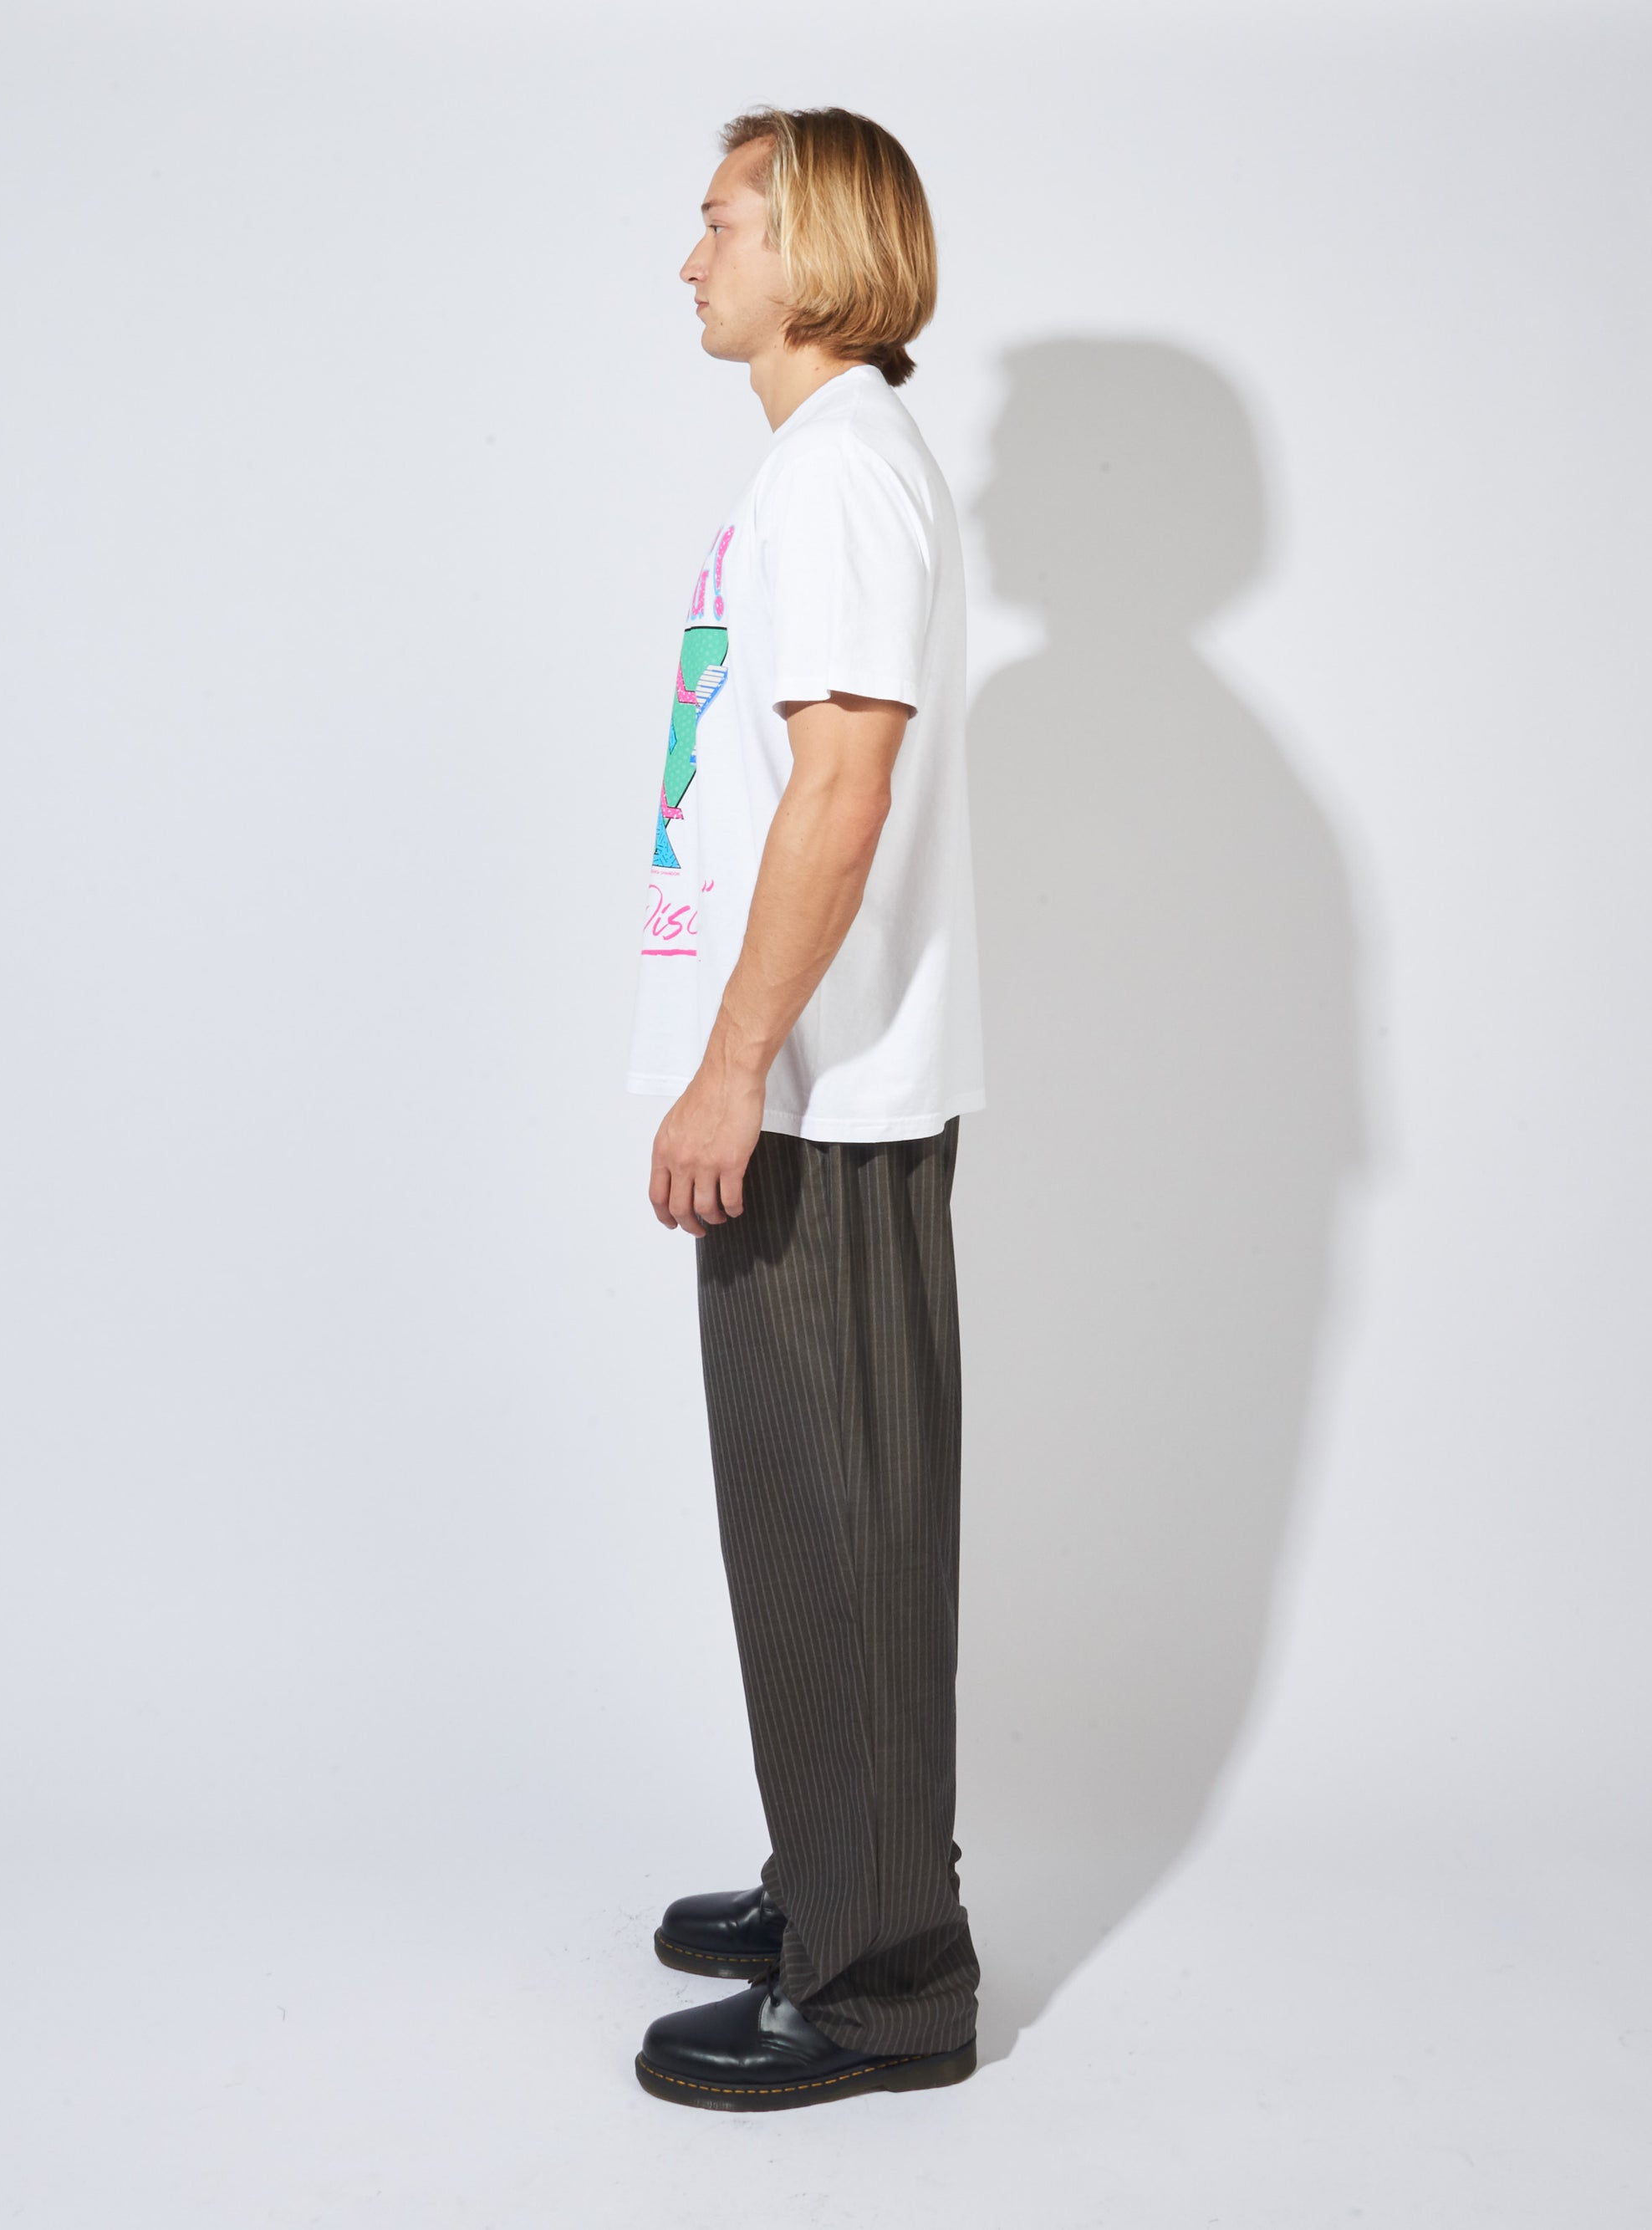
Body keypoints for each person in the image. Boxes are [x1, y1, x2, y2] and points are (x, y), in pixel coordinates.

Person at [625, 105, 986, 2112]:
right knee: (816, 1524)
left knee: (841, 1532)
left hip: (823, 1097)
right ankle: (836, 1882)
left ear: (815, 245)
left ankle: (881, 1982)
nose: (691, 260)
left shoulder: (839, 470)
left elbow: (842, 792)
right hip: (814, 1085)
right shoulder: (824, 464)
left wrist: (734, 1064)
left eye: (721, 222)